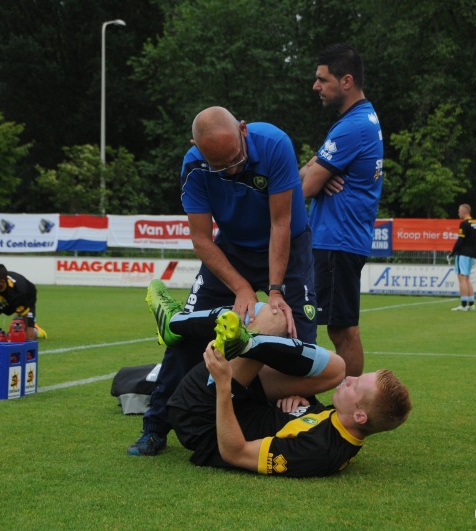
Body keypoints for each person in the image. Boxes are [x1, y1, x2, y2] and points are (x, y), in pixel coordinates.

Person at [128, 107, 317, 457]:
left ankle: (297, 415)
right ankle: (154, 427)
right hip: (231, 250)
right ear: (197, 148)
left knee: (297, 334)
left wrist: (274, 292)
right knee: (184, 332)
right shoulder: (193, 165)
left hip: (288, 245)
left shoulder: (275, 144)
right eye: (221, 165)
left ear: (243, 130)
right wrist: (241, 286)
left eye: (236, 158)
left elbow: (280, 223)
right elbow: (201, 239)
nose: (232, 169)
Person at [166, 304, 412, 477]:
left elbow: (234, 452)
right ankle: (247, 342)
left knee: (274, 318)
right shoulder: (344, 423)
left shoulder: (318, 452)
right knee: (336, 367)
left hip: (201, 417)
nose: (351, 379)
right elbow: (301, 423)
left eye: (356, 385)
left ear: (360, 416)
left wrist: (223, 384)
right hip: (245, 403)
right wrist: (299, 402)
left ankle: (174, 322)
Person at [299, 43, 384, 377]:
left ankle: (352, 404)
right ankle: (349, 401)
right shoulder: (361, 118)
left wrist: (315, 174)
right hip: (341, 239)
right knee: (337, 326)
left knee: (342, 330)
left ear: (346, 81)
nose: (315, 86)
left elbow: (304, 187)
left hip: (336, 241)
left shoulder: (352, 127)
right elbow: (310, 173)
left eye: (323, 79)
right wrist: (316, 170)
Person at [447, 204, 476, 311]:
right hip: (471, 255)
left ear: (463, 212)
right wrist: (475, 255)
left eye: (459, 211)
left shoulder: (464, 224)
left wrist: (451, 253)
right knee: (467, 279)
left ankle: (463, 305)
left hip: (463, 254)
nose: (458, 213)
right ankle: (471, 304)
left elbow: (460, 241)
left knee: (462, 279)